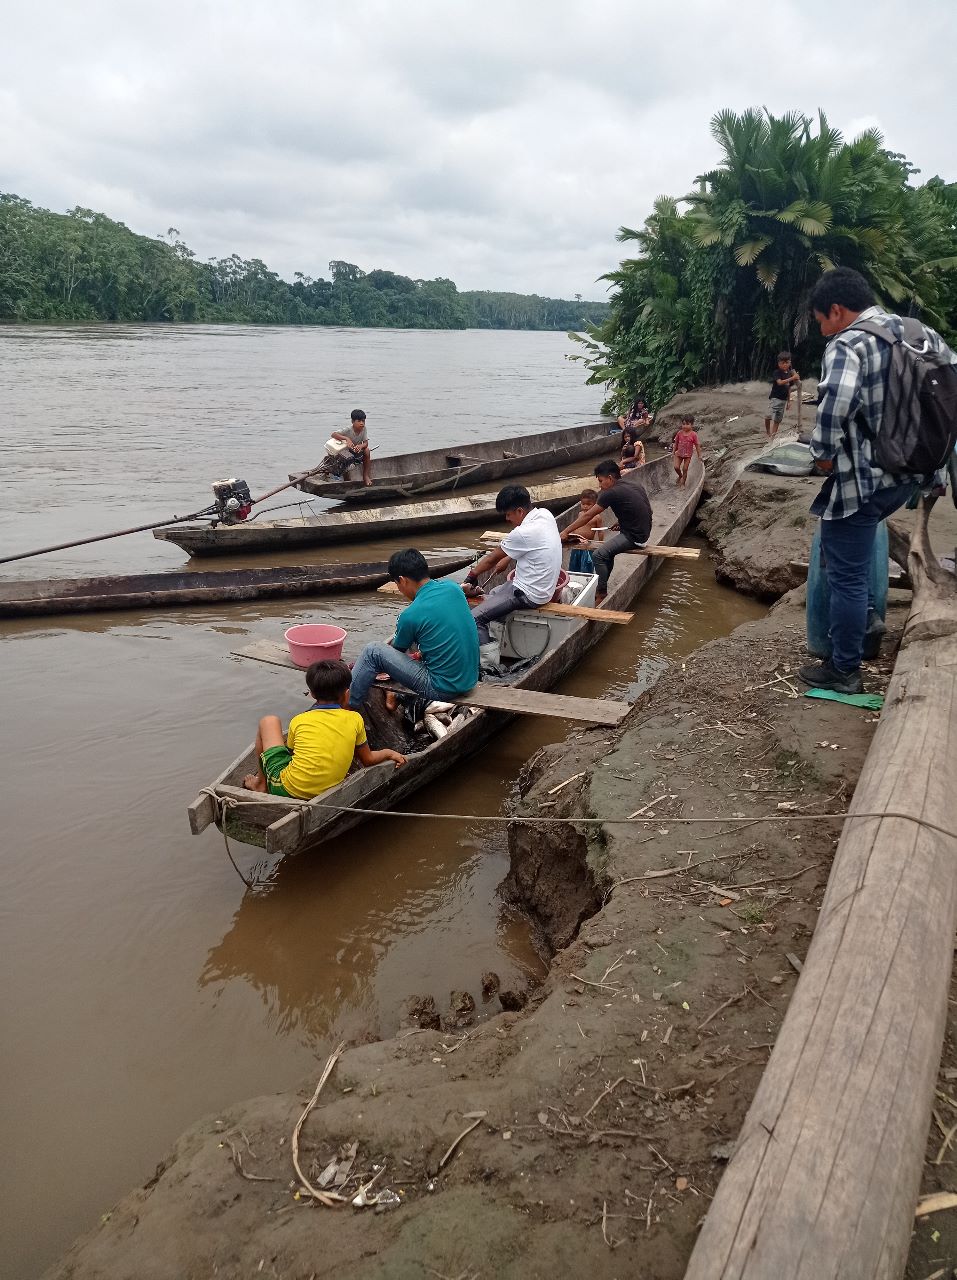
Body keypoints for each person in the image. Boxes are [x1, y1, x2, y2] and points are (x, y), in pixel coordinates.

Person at [798, 266, 957, 694]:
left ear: (836, 310)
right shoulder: (921, 332)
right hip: (915, 472)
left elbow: (835, 409)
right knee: (855, 550)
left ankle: (845, 668)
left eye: (820, 321)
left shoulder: (849, 343)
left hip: (864, 477)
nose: (822, 330)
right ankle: (866, 615)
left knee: (844, 568)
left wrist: (822, 457)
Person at [242, 659, 405, 797]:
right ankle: (264, 784)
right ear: (347, 693)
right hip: (328, 792)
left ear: (312, 694)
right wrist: (389, 753)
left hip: (286, 789)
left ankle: (262, 784)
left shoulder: (299, 720)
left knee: (269, 721)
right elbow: (368, 759)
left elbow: (290, 754)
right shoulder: (355, 719)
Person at [349, 549, 479, 707]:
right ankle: (395, 697)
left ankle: (349, 705)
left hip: (442, 689)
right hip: (470, 679)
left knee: (373, 651)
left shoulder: (410, 615)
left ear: (402, 580)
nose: (400, 590)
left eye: (397, 584)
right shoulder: (453, 588)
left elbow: (396, 652)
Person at [462, 485, 563, 645]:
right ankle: (496, 636)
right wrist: (508, 557)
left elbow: (491, 559)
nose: (507, 519)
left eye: (508, 514)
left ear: (520, 511)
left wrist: (471, 577)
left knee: (473, 619)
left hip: (529, 595)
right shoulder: (545, 514)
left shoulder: (522, 533)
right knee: (494, 591)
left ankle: (488, 665)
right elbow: (526, 545)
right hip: (545, 590)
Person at [560, 460, 652, 603]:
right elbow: (646, 510)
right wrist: (622, 523)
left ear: (610, 478)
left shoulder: (610, 492)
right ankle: (603, 583)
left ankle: (601, 592)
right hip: (643, 531)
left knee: (598, 555)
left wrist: (565, 531)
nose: (599, 485)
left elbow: (588, 515)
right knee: (608, 554)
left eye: (601, 481)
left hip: (635, 537)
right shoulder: (634, 484)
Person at [331, 409, 372, 486]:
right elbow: (333, 434)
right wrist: (347, 439)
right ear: (353, 421)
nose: (362, 423)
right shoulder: (348, 429)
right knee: (346, 459)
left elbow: (366, 443)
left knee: (367, 450)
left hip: (356, 452)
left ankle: (365, 476)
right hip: (346, 454)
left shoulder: (364, 429)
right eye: (359, 421)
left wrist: (360, 446)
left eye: (363, 421)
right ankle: (339, 475)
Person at [766, 351, 801, 439]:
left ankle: (772, 437)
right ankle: (768, 432)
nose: (785, 365)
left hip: (783, 400)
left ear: (790, 363)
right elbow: (780, 382)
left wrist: (789, 401)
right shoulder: (777, 372)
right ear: (779, 363)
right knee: (768, 416)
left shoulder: (790, 373)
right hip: (774, 398)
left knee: (777, 420)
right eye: (782, 363)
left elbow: (789, 388)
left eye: (787, 363)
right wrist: (793, 377)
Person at [568, 488, 601, 573]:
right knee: (574, 563)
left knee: (586, 565)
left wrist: (601, 543)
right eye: (583, 504)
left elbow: (600, 531)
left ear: (595, 505)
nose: (585, 506)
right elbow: (576, 526)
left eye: (588, 504)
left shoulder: (597, 517)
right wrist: (571, 536)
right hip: (577, 542)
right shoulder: (580, 514)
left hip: (587, 545)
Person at [672, 415, 702, 486]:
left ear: (692, 425)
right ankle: (680, 476)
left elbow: (697, 445)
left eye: (687, 424)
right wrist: (673, 451)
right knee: (676, 467)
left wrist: (699, 455)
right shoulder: (679, 433)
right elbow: (676, 443)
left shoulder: (693, 435)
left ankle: (683, 483)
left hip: (687, 455)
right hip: (679, 454)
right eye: (683, 424)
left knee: (685, 469)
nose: (685, 426)